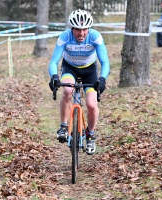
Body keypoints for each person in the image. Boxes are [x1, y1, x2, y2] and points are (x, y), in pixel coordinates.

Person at [48, 9, 110, 155]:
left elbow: (105, 62)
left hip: (90, 71)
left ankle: (91, 134)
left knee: (91, 104)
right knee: (67, 91)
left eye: (84, 30)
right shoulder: (64, 37)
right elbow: (54, 61)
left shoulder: (95, 37)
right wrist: (54, 77)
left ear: (89, 29)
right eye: (77, 30)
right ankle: (63, 126)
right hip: (70, 68)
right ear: (72, 28)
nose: (81, 34)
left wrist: (102, 79)